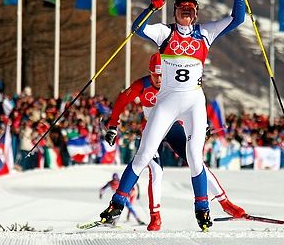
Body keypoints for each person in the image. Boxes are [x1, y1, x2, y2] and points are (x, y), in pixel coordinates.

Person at [100, 0, 247, 231]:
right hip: (166, 102)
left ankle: (203, 208)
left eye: (190, 10)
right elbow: (138, 28)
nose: (186, 14)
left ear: (196, 14)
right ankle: (117, 204)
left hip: (193, 103)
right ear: (175, 12)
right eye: (182, 10)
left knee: (194, 157)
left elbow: (238, 19)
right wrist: (151, 8)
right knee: (144, 154)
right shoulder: (164, 32)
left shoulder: (205, 33)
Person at [104, 53, 246, 231]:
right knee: (155, 170)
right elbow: (121, 100)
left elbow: (194, 103)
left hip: (173, 129)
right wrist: (112, 125)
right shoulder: (142, 84)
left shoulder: (177, 83)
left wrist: (203, 125)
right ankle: (155, 217)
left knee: (196, 163)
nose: (159, 79)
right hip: (151, 129)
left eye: (162, 74)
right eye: (155, 75)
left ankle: (225, 203)